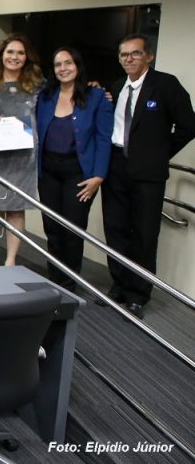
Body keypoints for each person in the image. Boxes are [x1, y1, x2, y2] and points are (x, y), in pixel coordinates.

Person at [102, 34, 195, 318]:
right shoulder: (117, 87)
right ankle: (118, 286)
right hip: (115, 166)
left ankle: (137, 295)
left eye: (135, 54)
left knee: (144, 234)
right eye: (124, 55)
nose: (129, 59)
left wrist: (158, 153)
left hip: (148, 175)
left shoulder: (165, 85)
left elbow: (188, 126)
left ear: (148, 56)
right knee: (115, 230)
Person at [36, 47, 113, 291]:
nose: (63, 68)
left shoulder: (96, 96)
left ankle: (69, 283)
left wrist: (99, 176)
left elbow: (103, 138)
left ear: (77, 65)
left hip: (79, 174)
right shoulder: (45, 95)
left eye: (68, 63)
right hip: (48, 170)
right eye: (58, 64)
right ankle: (54, 278)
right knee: (52, 228)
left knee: (73, 228)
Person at [0, 34, 44, 267]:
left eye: (20, 53)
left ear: (27, 57)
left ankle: (11, 261)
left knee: (15, 210)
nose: (15, 57)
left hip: (22, 159)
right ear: (1, 55)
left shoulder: (37, 86)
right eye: (10, 52)